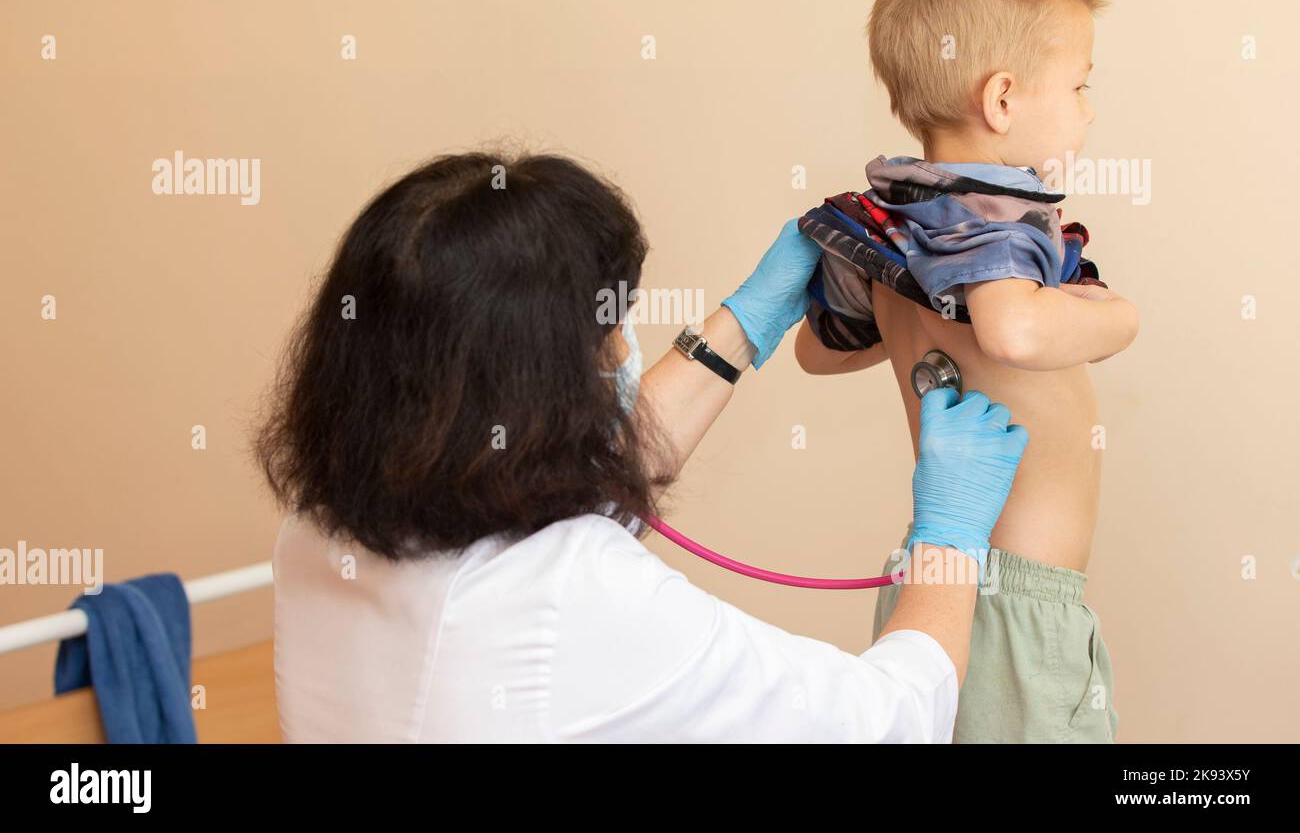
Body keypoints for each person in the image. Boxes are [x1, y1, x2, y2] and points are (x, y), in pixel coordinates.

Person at [258, 151, 1027, 742]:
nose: (625, 347)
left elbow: (582, 480)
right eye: (609, 328)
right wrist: (948, 540)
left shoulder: (322, 528)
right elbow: (882, 723)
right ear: (536, 381)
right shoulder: (580, 600)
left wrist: (746, 320)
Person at [794, 0, 1138, 741]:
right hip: (1012, 603)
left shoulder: (900, 222)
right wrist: (1120, 316)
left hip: (934, 582)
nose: (1088, 111)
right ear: (1004, 99)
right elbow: (1014, 333)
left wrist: (917, 307)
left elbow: (818, 349)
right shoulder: (999, 214)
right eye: (1082, 86)